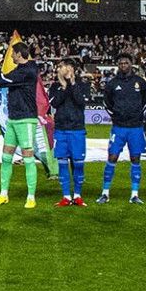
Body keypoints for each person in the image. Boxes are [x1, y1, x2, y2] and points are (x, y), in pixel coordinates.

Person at [0, 39, 43, 208]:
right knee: (6, 156)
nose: (11, 56)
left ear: (19, 54)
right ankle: (4, 194)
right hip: (13, 118)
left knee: (28, 157)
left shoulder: (29, 70)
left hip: (26, 119)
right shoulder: (21, 70)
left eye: (12, 54)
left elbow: (0, 80)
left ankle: (31, 197)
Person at [99, 52, 146, 204]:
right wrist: (115, 116)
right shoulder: (112, 83)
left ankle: (134, 194)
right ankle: (105, 193)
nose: (123, 65)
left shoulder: (140, 82)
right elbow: (106, 103)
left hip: (135, 127)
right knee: (112, 157)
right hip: (119, 127)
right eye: (120, 63)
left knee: (135, 158)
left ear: (131, 64)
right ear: (118, 65)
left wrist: (139, 116)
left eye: (126, 63)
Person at [48, 60, 90, 207]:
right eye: (60, 67)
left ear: (72, 69)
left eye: (64, 66)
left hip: (77, 129)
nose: (61, 69)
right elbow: (54, 103)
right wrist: (64, 87)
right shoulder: (55, 86)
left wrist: (72, 84)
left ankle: (77, 195)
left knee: (78, 164)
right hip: (61, 130)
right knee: (62, 164)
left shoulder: (82, 84)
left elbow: (81, 102)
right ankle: (66, 196)